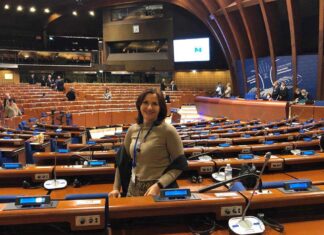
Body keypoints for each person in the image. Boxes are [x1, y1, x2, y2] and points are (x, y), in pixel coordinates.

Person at [109, 89, 188, 197]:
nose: (149, 107)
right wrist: (116, 188)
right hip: (133, 188)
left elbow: (179, 165)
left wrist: (159, 185)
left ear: (160, 108)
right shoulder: (132, 130)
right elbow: (121, 161)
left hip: (158, 190)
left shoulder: (168, 131)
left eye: (154, 104)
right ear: (139, 105)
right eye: (145, 102)